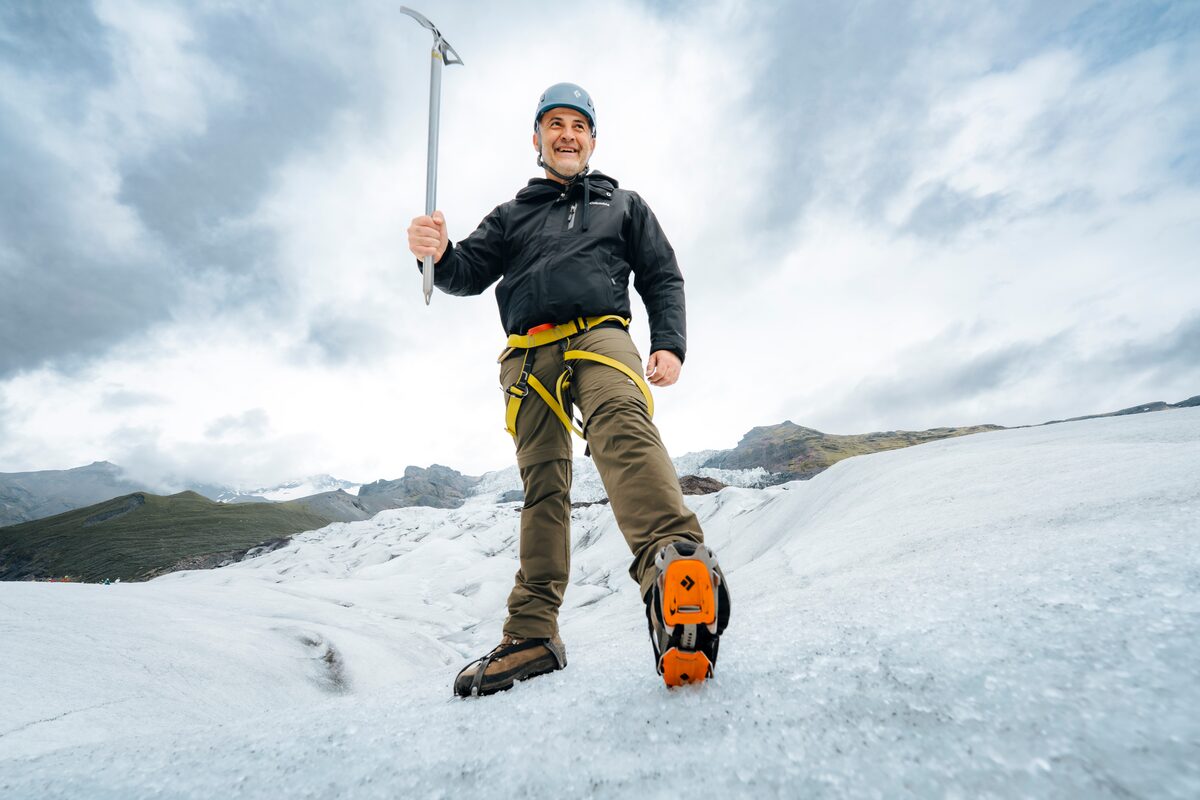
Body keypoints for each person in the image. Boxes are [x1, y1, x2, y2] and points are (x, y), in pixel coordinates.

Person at [407, 83, 730, 697]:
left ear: (592, 140)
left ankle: (675, 571)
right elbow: (466, 272)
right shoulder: (512, 214)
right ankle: (532, 635)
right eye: (554, 124)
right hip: (528, 355)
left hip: (600, 336)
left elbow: (662, 275)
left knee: (624, 428)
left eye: (578, 125)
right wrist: (438, 252)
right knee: (543, 487)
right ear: (537, 138)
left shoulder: (624, 205)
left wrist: (669, 343)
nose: (567, 134)